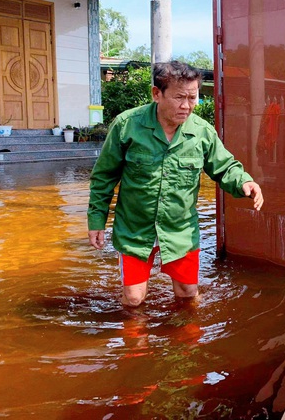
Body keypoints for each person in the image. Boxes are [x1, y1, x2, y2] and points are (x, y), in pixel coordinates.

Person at [87, 61, 263, 307]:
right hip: (135, 229)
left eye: (193, 98)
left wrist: (244, 181)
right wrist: (97, 220)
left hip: (180, 230)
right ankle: (136, 344)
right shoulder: (127, 126)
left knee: (188, 294)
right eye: (179, 97)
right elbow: (104, 176)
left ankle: (187, 343)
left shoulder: (202, 132)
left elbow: (225, 167)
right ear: (156, 94)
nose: (187, 106)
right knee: (133, 299)